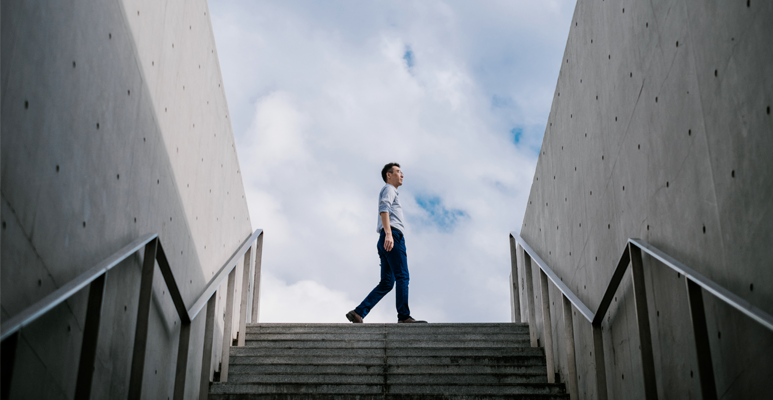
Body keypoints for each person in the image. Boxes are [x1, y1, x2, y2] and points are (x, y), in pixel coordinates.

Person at [346, 163, 427, 324]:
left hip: (385, 237)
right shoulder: (389, 189)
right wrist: (389, 234)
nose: (401, 174)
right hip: (392, 236)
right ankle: (404, 316)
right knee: (403, 275)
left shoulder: (391, 190)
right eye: (397, 172)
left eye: (401, 172)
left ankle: (358, 312)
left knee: (387, 283)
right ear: (389, 175)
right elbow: (384, 209)